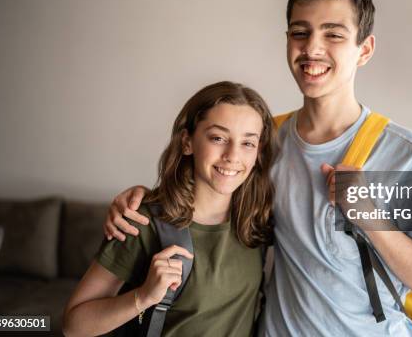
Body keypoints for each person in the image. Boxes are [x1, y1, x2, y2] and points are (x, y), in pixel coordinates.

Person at [103, 0, 412, 336]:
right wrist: (141, 200)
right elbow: (202, 198)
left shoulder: (409, 154)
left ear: (364, 50)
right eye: (300, 32)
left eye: (334, 35)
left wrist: (370, 217)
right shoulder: (264, 142)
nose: (312, 48)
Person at [63, 81, 276, 336]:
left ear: (258, 152)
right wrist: (142, 297)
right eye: (218, 138)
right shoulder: (142, 221)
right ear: (187, 142)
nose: (232, 155)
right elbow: (73, 325)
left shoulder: (258, 220)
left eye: (247, 143)